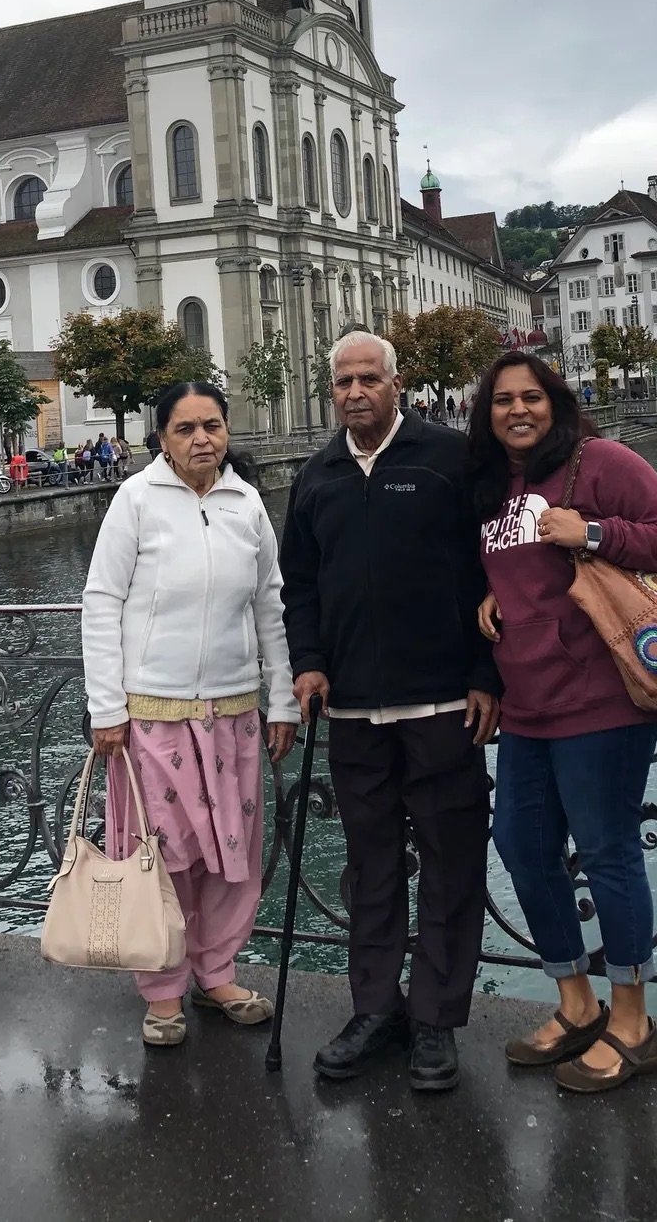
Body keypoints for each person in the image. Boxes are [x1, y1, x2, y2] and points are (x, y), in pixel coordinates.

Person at [470, 351, 657, 1094]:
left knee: (606, 854)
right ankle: (575, 1003)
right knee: (521, 847)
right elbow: (510, 561)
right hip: (527, 704)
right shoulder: (495, 484)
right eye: (502, 400)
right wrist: (486, 593)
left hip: (602, 699)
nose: (517, 411)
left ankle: (632, 1023)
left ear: (554, 402)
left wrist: (594, 534)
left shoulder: (600, 461)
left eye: (530, 397)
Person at [280, 331, 499, 1093]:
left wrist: (484, 675)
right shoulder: (317, 477)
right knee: (370, 870)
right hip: (350, 713)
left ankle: (435, 1017)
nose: (354, 392)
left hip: (443, 703)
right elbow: (298, 587)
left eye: (367, 378)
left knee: (449, 863)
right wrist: (307, 664)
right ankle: (374, 1008)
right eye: (342, 381)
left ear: (396, 383)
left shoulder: (447, 461)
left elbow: (489, 578)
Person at [82, 379, 300, 1048]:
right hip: (152, 715)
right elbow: (100, 602)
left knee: (229, 858)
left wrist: (281, 698)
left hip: (233, 711)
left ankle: (218, 971)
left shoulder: (245, 503)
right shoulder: (137, 500)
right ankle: (163, 989)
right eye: (185, 428)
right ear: (162, 439)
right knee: (166, 857)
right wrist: (106, 707)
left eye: (211, 425)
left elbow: (270, 606)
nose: (202, 438)